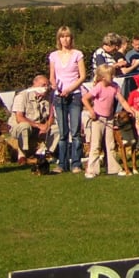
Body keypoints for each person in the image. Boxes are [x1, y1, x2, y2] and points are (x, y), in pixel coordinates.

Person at [82, 65, 139, 178]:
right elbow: (85, 99)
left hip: (109, 119)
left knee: (110, 144)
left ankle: (113, 168)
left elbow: (122, 101)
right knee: (96, 145)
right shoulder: (98, 87)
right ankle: (91, 170)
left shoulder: (114, 86)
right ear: (103, 77)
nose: (114, 77)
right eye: (111, 75)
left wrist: (130, 110)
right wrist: (91, 111)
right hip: (98, 119)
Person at [48, 26, 87, 173]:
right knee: (63, 132)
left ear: (71, 38)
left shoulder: (78, 54)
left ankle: (76, 163)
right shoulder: (53, 56)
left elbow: (82, 76)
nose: (65, 39)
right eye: (62, 36)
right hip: (59, 97)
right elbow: (52, 75)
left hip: (74, 95)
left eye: (67, 36)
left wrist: (70, 89)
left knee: (75, 132)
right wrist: (54, 85)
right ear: (59, 39)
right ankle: (62, 164)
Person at [8, 75, 59, 164]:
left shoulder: (48, 97)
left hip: (38, 127)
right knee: (24, 126)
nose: (46, 88)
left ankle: (45, 153)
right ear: (34, 84)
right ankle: (22, 155)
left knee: (57, 128)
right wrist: (39, 126)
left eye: (47, 85)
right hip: (19, 127)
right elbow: (19, 118)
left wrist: (47, 126)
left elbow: (51, 116)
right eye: (43, 85)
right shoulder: (22, 96)